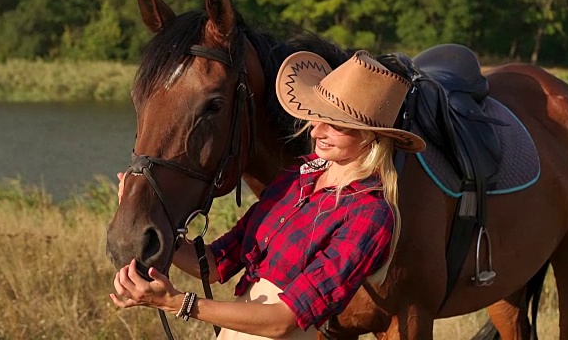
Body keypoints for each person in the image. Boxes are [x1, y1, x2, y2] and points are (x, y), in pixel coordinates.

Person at [110, 50, 426, 339]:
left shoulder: (370, 214)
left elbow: (284, 320)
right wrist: (154, 225)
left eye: (336, 124)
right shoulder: (298, 175)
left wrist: (178, 302)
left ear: (372, 137)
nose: (316, 130)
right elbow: (216, 263)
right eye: (318, 116)